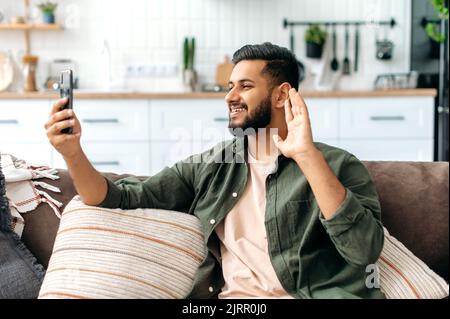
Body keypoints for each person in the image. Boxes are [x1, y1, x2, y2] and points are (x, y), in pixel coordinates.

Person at [44, 42, 385, 299]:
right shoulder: (211, 166)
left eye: (245, 86)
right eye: (229, 86)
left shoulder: (339, 165)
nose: (230, 97)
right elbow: (118, 197)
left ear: (282, 96)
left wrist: (306, 156)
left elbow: (364, 250)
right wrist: (71, 152)